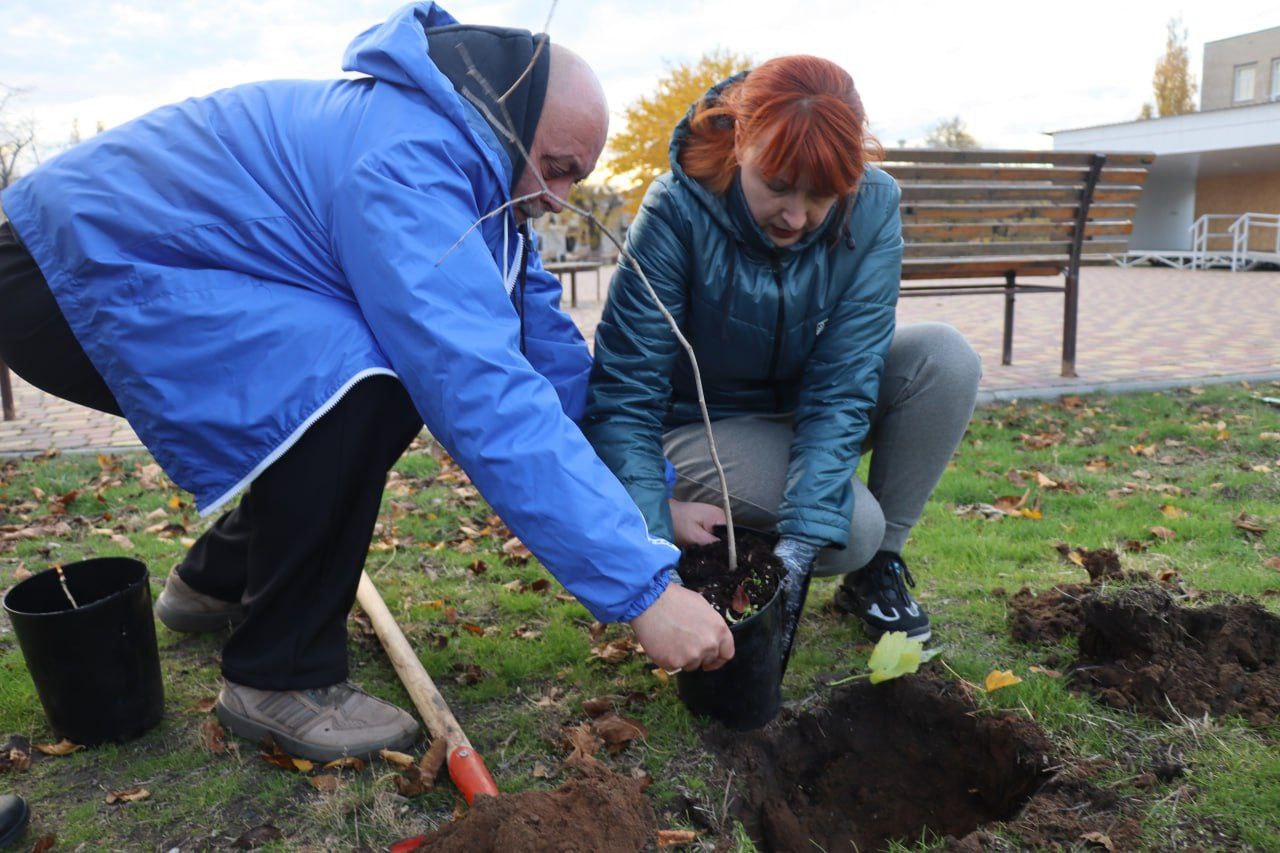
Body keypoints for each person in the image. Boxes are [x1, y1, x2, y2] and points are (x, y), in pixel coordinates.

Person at [0, 3, 732, 761]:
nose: (559, 199)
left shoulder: (480, 188)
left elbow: (543, 359)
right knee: (365, 376)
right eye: (555, 169)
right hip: (68, 272)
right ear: (506, 114)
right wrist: (643, 592)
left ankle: (218, 581)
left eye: (577, 178)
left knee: (352, 370)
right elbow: (480, 389)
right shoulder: (409, 163)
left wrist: (652, 495)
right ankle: (277, 676)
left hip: (97, 263)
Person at [582, 56, 982, 644]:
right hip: (698, 429)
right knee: (855, 524)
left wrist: (798, 546)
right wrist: (650, 561)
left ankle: (877, 573)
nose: (796, 216)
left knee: (944, 358)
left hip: (795, 409)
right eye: (776, 185)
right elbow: (626, 394)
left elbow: (847, 378)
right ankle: (718, 561)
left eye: (820, 194)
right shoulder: (676, 208)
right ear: (742, 141)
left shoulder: (872, 207)